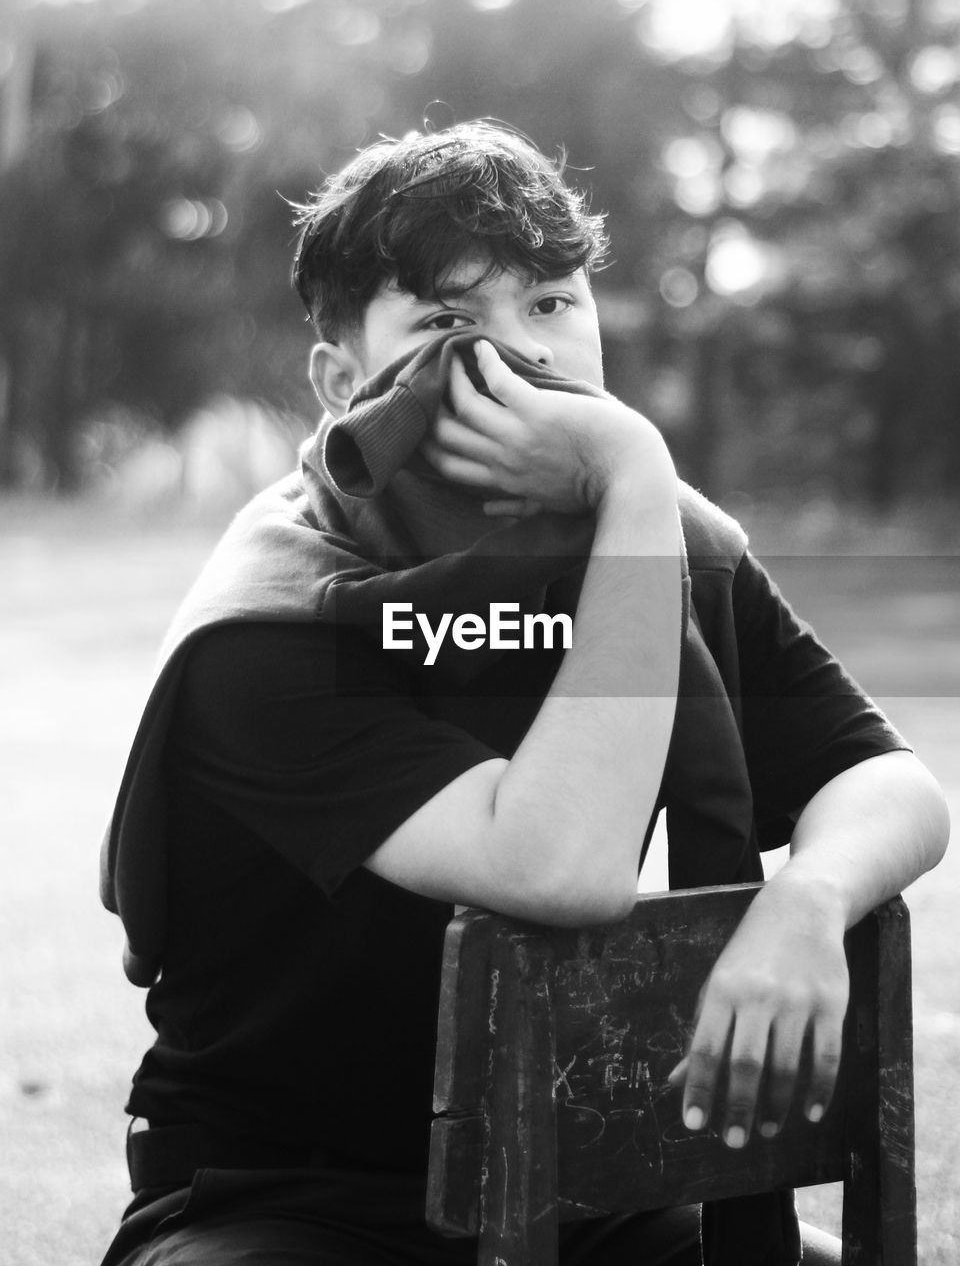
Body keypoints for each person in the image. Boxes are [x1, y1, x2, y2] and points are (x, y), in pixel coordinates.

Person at [98, 121, 948, 1266]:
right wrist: (637, 475)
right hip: (291, 1199)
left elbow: (891, 781)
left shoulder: (665, 548)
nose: (519, 360)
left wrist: (807, 900)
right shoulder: (276, 620)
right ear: (341, 378)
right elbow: (561, 868)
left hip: (592, 1177)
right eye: (448, 321)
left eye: (550, 302)